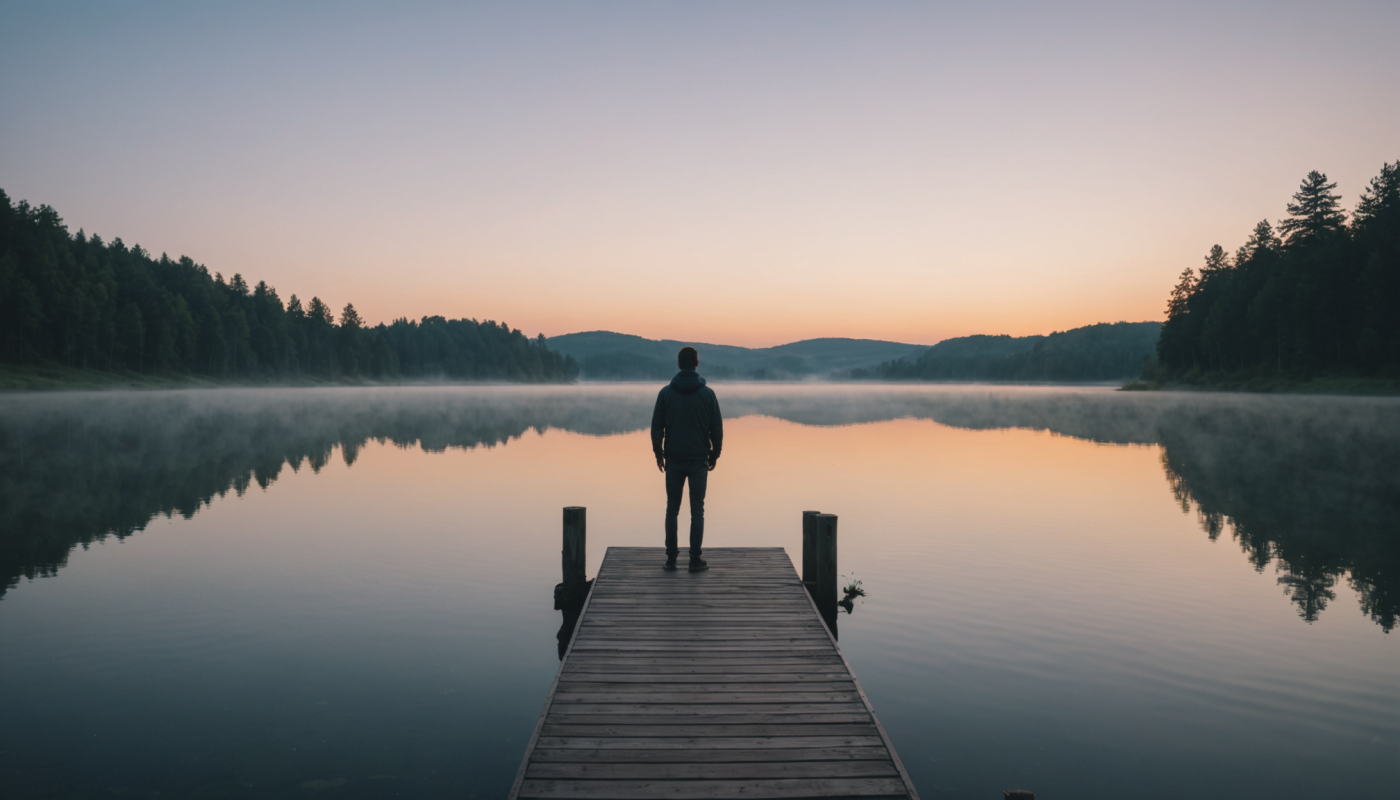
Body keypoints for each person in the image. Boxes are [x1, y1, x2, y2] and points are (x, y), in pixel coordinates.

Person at [650, 346, 723, 572]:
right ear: (697, 364)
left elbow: (656, 429)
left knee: (672, 508)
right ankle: (694, 559)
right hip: (699, 459)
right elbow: (717, 430)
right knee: (697, 509)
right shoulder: (708, 394)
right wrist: (715, 454)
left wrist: (658, 453)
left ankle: (671, 560)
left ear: (679, 364)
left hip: (674, 459)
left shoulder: (665, 394)